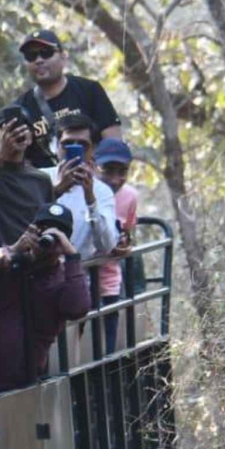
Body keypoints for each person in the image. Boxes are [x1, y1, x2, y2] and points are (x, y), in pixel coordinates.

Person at [0, 203, 92, 397]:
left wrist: (71, 256)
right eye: (41, 230)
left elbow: (77, 309)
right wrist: (14, 249)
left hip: (20, 383)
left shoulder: (61, 279)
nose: (46, 240)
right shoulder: (9, 261)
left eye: (58, 234)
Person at [11, 29, 123, 169]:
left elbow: (113, 142)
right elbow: (21, 162)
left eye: (47, 53)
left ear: (63, 57)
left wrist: (99, 173)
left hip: (92, 180)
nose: (39, 60)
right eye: (31, 56)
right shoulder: (20, 108)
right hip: (47, 187)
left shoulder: (89, 90)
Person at [43, 110, 116, 263]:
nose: (75, 152)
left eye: (83, 145)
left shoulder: (101, 191)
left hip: (79, 276)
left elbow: (107, 245)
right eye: (67, 145)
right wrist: (57, 190)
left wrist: (90, 199)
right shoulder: (39, 179)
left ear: (93, 149)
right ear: (55, 147)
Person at [0, 107, 55, 245]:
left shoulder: (41, 179)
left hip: (32, 258)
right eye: (6, 128)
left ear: (31, 136)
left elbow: (49, 222)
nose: (16, 132)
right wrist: (0, 155)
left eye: (23, 126)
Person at [95, 137, 140, 352]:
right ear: (96, 167)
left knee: (108, 342)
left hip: (109, 280)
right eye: (108, 171)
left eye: (122, 171)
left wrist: (124, 243)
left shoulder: (130, 196)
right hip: (83, 278)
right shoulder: (86, 191)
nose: (115, 179)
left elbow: (128, 231)